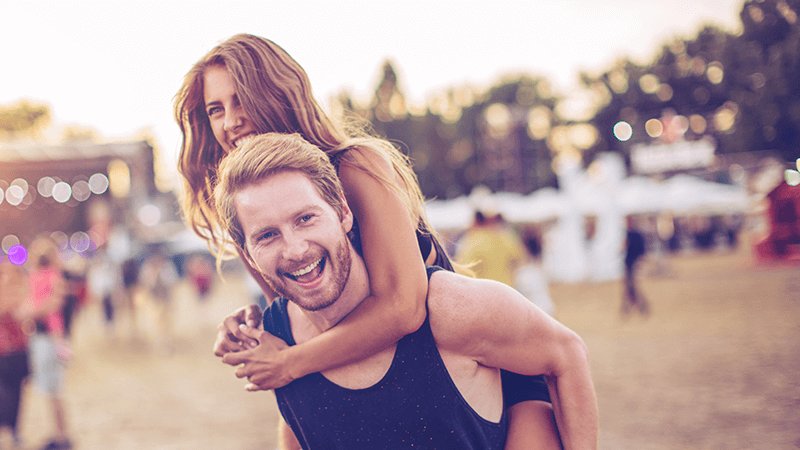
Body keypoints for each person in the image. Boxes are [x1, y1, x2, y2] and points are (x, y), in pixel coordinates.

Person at [175, 34, 557, 447]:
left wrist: (289, 363)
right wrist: (253, 326)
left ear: (277, 94)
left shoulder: (355, 166)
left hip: (488, 380)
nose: (231, 122)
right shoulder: (252, 207)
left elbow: (403, 307)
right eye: (216, 110)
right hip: (408, 401)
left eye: (241, 100)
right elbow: (307, 309)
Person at [213, 133, 598, 449]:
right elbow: (303, 428)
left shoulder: (446, 307)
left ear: (343, 213)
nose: (295, 249)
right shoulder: (275, 340)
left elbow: (565, 354)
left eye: (306, 218)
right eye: (267, 235)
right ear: (246, 253)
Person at [27, 237, 72, 450]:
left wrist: (58, 340)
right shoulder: (55, 277)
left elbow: (48, 311)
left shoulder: (39, 278)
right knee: (54, 391)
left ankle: (61, 438)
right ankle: (60, 434)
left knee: (52, 391)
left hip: (47, 339)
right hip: (52, 337)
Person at [0, 260, 31, 449]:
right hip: (3, 351)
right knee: (4, 395)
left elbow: (25, 311)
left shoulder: (21, 289)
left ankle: (13, 429)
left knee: (18, 394)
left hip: (18, 349)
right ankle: (5, 429)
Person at [622, 216, 649, 316]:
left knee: (632, 287)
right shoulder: (627, 233)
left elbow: (641, 250)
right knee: (630, 287)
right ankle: (631, 308)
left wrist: (640, 262)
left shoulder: (634, 234)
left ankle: (635, 307)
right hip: (628, 263)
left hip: (633, 263)